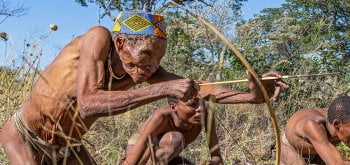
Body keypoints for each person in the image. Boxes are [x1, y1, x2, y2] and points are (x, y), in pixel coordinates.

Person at [0, 11, 286, 164]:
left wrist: (253, 95)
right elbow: (88, 102)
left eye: (159, 58)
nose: (152, 66)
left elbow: (201, 89)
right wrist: (162, 89)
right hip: (26, 136)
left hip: (67, 145)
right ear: (122, 44)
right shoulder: (98, 39)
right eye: (147, 54)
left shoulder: (143, 70)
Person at [123, 79, 289, 165]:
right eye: (192, 105)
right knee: (175, 139)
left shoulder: (206, 116)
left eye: (202, 103)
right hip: (139, 152)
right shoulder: (162, 116)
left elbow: (217, 157)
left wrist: (212, 163)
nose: (200, 109)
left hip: (166, 157)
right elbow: (135, 157)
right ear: (174, 107)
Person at [281, 96, 350, 165]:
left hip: (318, 148)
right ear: (337, 124)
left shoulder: (342, 120)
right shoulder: (312, 126)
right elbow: (336, 163)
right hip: (291, 147)